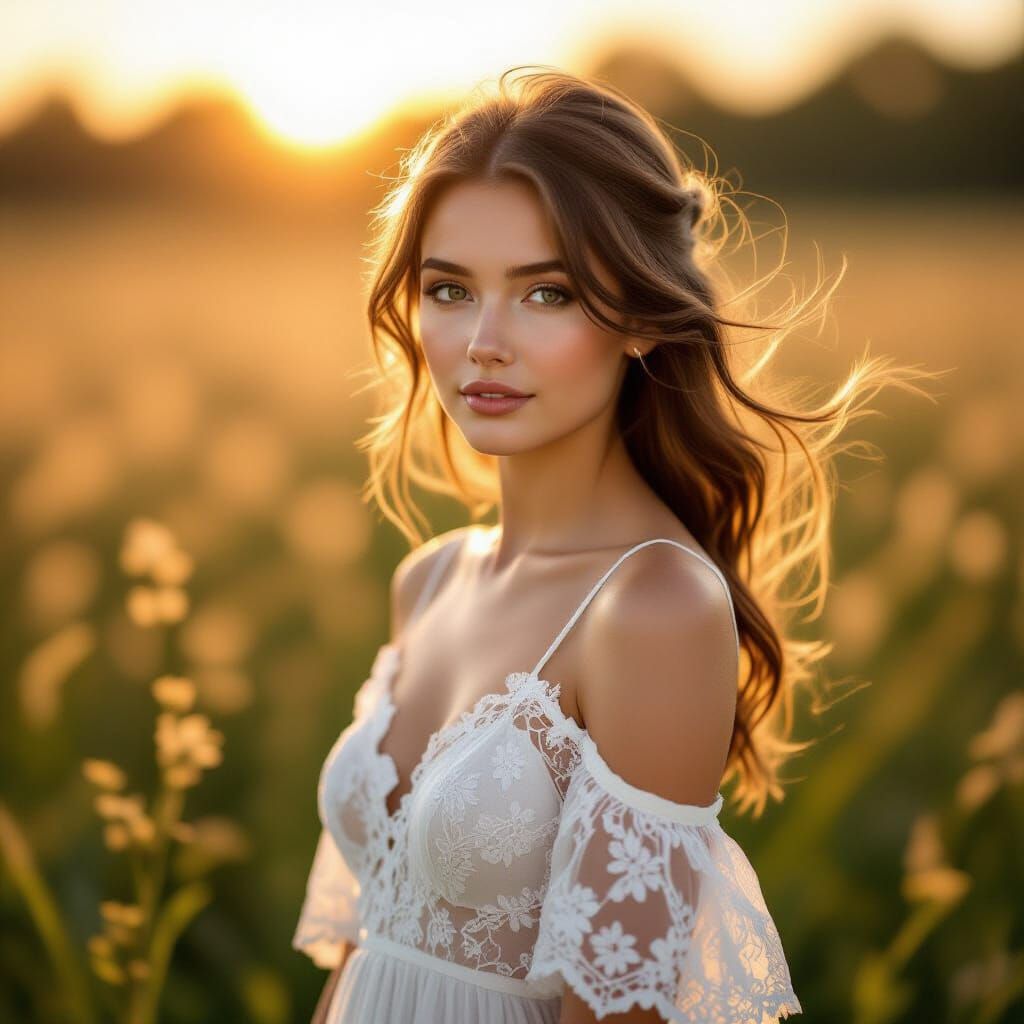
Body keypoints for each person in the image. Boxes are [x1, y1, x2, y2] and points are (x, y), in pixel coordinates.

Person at [293, 64, 926, 1023]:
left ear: (637, 316)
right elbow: (363, 949)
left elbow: (623, 1011)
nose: (484, 342)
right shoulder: (429, 581)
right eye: (450, 289)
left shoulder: (655, 609)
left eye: (546, 295)